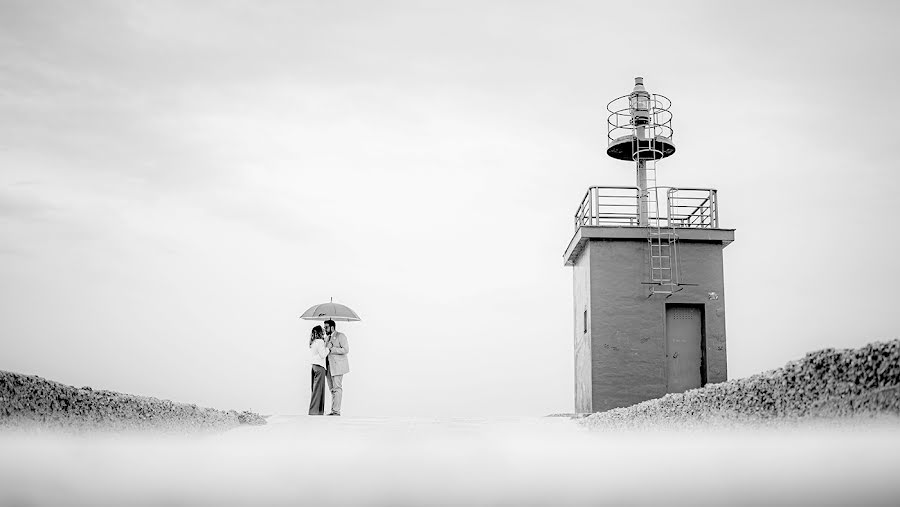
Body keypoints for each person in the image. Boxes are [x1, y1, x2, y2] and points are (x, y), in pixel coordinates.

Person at [323, 319, 349, 416]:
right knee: (332, 389)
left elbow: (346, 350)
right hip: (328, 367)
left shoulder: (340, 336)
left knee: (337, 388)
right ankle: (333, 410)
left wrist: (332, 349)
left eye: (326, 327)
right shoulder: (326, 338)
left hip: (338, 367)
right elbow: (325, 350)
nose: (324, 329)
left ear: (332, 327)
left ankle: (336, 411)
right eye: (324, 327)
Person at [308, 325, 329, 415]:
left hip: (314, 366)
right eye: (322, 330)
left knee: (315, 388)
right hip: (320, 367)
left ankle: (318, 411)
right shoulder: (320, 341)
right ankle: (315, 411)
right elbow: (323, 354)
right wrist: (328, 348)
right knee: (318, 390)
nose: (324, 331)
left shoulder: (314, 342)